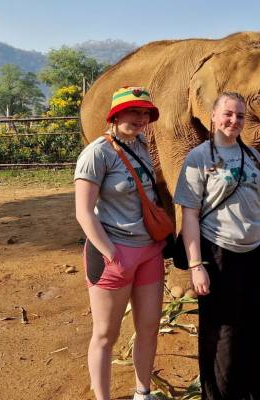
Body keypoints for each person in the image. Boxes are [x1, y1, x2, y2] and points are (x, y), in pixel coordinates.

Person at [174, 92, 260, 400]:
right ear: (212, 116)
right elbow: (190, 214)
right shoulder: (199, 158)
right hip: (219, 252)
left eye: (239, 115)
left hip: (258, 252)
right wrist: (196, 266)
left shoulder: (252, 156)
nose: (234, 120)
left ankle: (253, 394)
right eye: (228, 114)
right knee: (222, 332)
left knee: (255, 326)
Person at [75, 87, 164, 400]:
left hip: (149, 253)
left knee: (149, 326)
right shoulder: (97, 153)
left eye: (144, 113)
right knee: (105, 334)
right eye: (133, 112)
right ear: (115, 115)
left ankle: (143, 392)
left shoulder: (141, 146)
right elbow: (84, 213)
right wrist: (112, 255)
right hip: (113, 253)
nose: (140, 119)